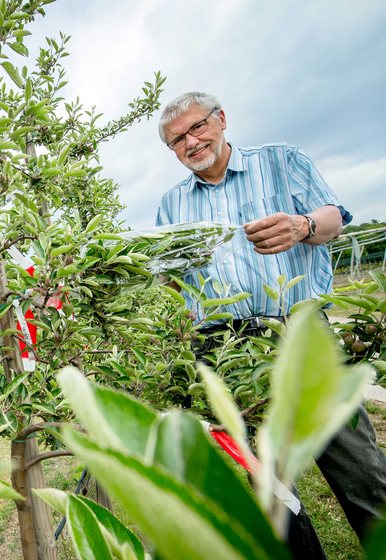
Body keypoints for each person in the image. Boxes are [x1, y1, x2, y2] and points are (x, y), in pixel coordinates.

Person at [155, 92, 386, 558]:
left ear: (221, 119)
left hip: (299, 331)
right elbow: (172, 281)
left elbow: (333, 217)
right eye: (177, 140)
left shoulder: (281, 161)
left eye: (197, 128)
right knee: (271, 484)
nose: (191, 142)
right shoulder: (171, 205)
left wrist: (301, 226)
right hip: (225, 349)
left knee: (357, 464)